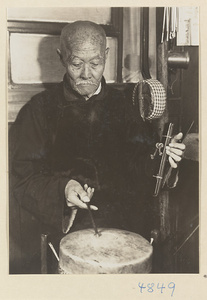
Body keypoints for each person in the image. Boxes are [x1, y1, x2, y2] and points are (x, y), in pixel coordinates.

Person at [9, 21, 185, 273]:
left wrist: (165, 160)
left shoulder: (127, 105)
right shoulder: (38, 111)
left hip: (130, 230)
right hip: (70, 231)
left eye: (95, 63)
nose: (86, 74)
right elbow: (23, 180)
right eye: (76, 64)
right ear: (61, 58)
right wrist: (63, 189)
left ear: (106, 56)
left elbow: (141, 165)